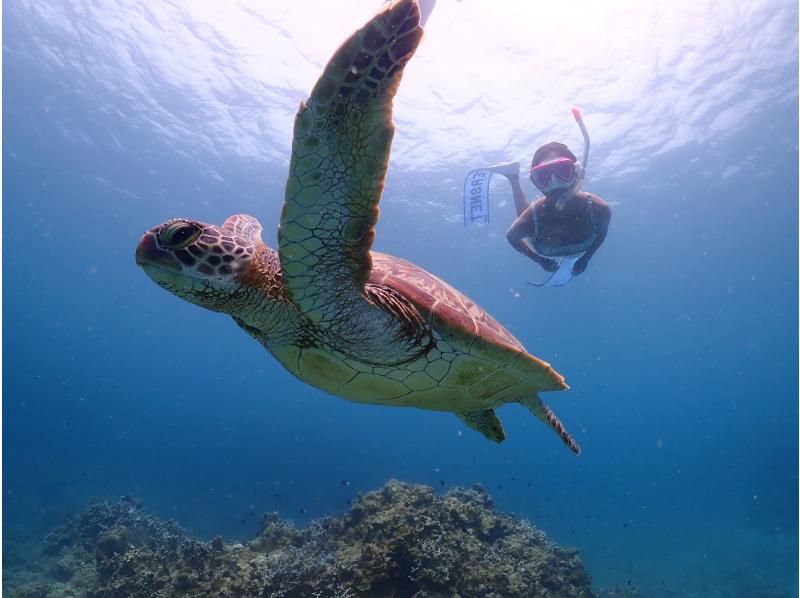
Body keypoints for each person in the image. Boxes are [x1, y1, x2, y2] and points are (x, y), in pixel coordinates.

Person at [489, 141, 611, 284]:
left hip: (540, 233)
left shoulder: (599, 209)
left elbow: (602, 233)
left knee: (528, 220)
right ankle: (513, 178)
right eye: (543, 176)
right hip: (535, 221)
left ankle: (513, 176)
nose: (554, 182)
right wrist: (538, 259)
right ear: (535, 181)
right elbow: (511, 237)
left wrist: (586, 258)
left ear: (577, 173)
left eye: (563, 171)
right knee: (528, 219)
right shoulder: (528, 220)